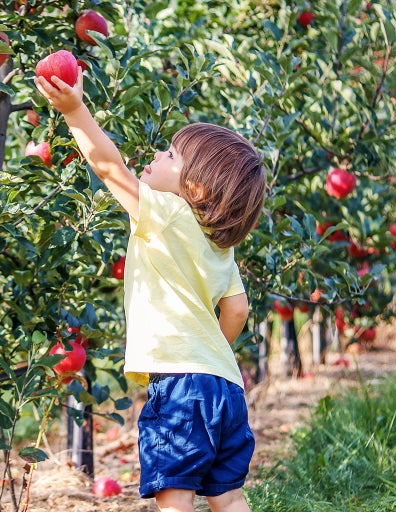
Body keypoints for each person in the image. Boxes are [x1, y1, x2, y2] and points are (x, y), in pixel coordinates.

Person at [35, 69, 266, 512]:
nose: (159, 154)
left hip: (181, 385)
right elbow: (237, 309)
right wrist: (212, 354)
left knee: (175, 494)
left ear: (194, 187)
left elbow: (108, 167)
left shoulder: (166, 212)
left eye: (171, 154)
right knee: (228, 494)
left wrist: (74, 111)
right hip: (227, 387)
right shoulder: (221, 245)